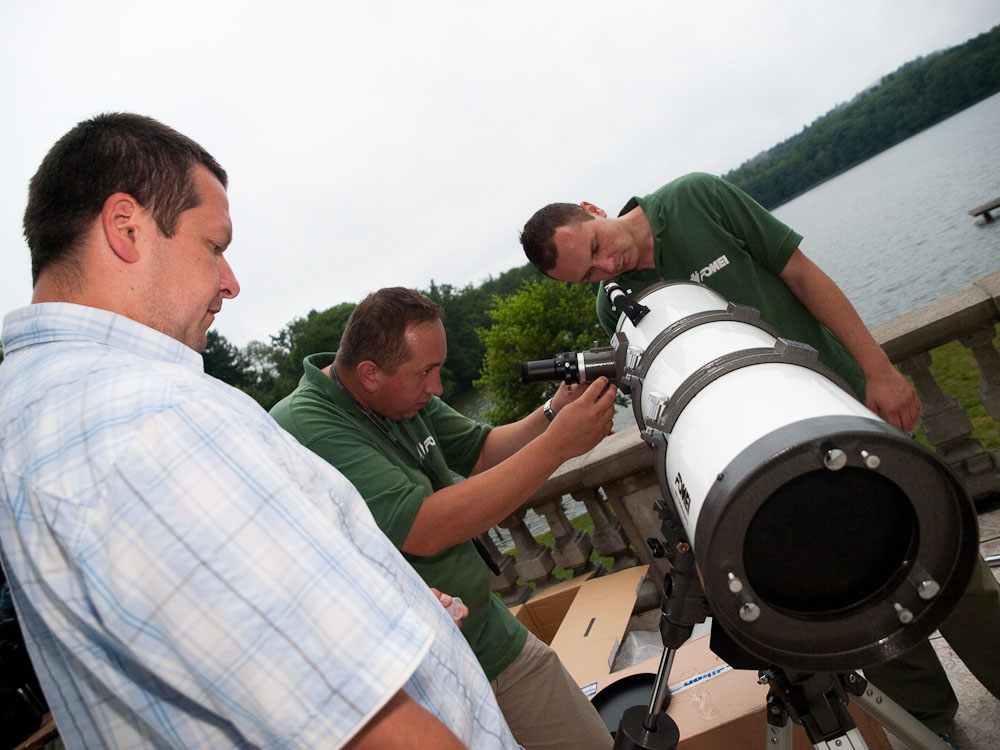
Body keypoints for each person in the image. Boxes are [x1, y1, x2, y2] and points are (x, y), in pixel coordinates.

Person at [0, 113, 519, 750]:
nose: (231, 281)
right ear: (126, 226)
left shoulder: (33, 411)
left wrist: (383, 596)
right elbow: (369, 730)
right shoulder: (155, 420)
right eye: (213, 246)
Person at [519, 171, 1000, 744]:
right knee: (851, 588)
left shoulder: (696, 198)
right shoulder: (616, 306)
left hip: (840, 407)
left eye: (596, 248)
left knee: (949, 568)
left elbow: (800, 273)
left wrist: (877, 368)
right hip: (761, 467)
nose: (606, 270)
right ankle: (933, 723)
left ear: (593, 208)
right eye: (588, 275)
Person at [270, 287, 617, 750]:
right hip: (420, 680)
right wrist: (558, 445)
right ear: (370, 374)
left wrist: (555, 411)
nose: (435, 388)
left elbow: (481, 451)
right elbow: (425, 528)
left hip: (490, 634)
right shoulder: (307, 424)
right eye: (425, 373)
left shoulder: (401, 395)